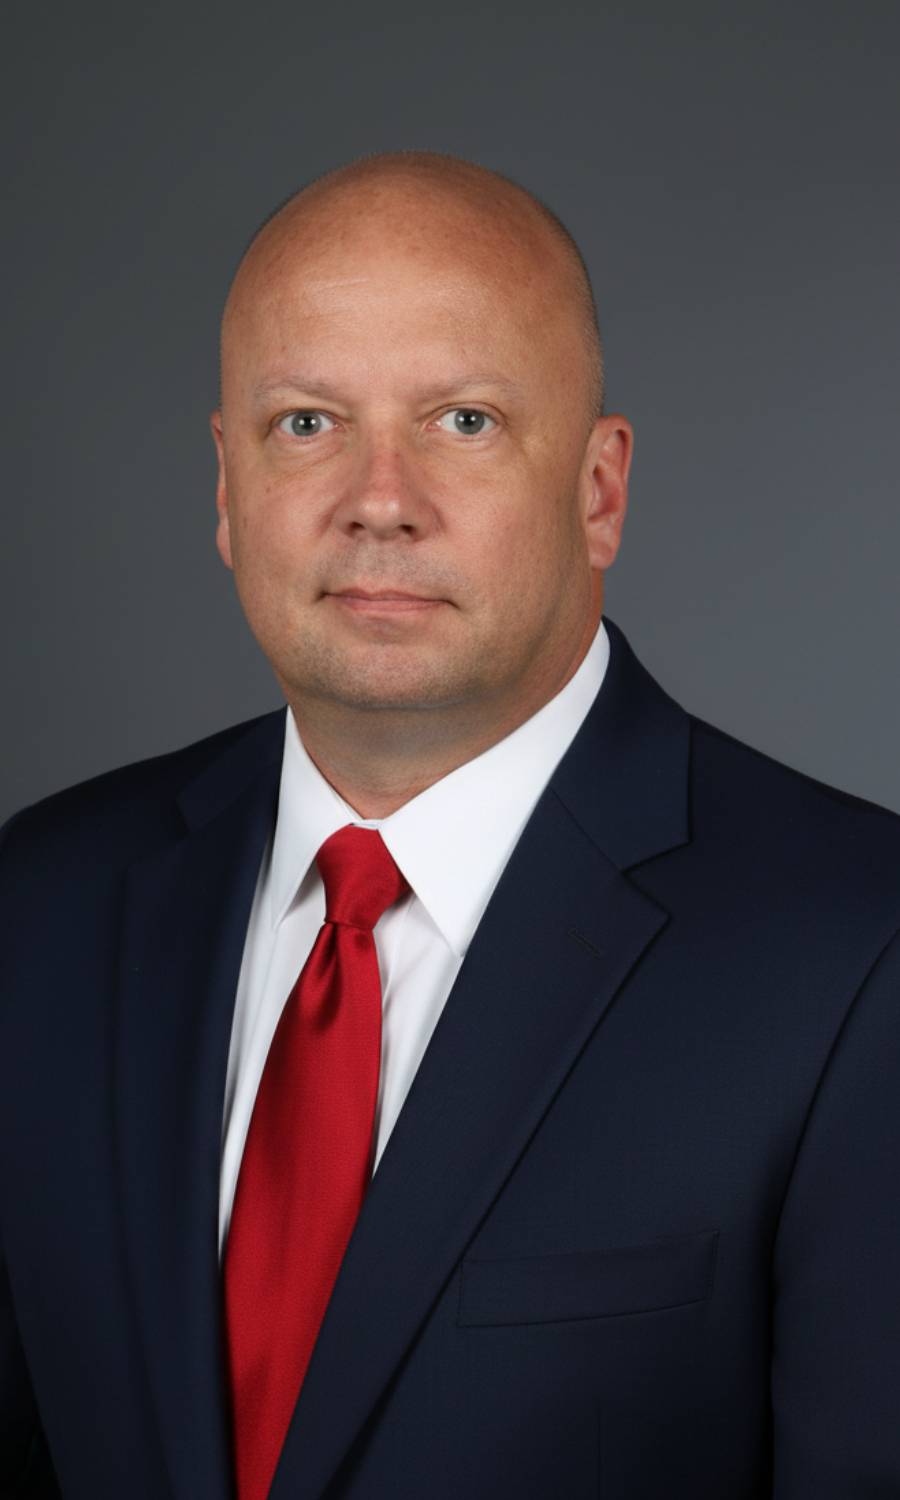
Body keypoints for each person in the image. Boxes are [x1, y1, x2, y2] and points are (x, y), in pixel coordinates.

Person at [1, 150, 899, 1500]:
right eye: (308, 422)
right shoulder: (45, 901)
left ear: (598, 492)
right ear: (228, 487)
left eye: (464, 421)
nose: (380, 497)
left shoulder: (859, 952)